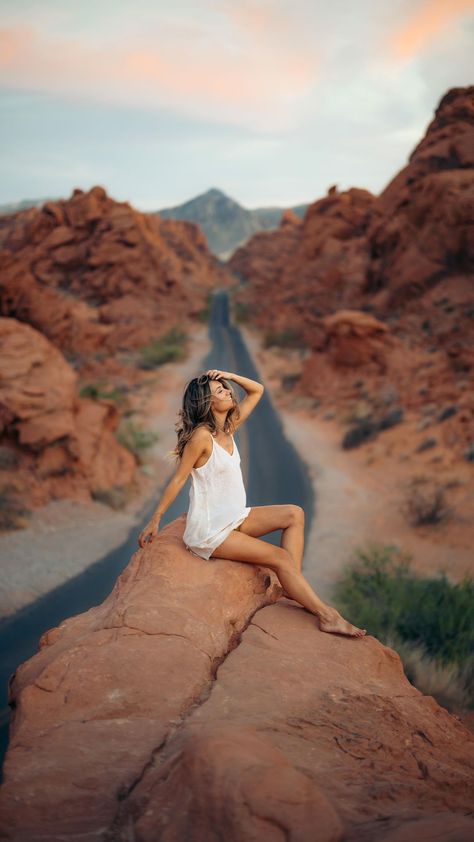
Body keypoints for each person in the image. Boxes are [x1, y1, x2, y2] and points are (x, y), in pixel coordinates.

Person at [138, 369, 366, 638]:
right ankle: (328, 616)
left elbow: (257, 390)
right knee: (279, 557)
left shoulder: (229, 428)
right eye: (219, 391)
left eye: (225, 387)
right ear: (208, 404)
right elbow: (178, 480)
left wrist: (228, 375)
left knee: (294, 513)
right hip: (211, 531)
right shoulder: (201, 437)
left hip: (234, 518)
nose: (227, 391)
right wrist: (155, 519)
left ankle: (292, 584)